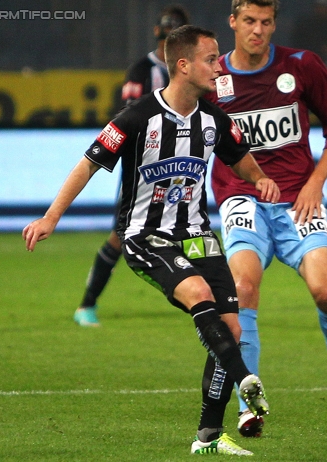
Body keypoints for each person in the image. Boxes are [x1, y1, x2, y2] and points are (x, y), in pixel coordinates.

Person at [23, 25, 280, 456]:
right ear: (183, 65)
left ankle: (209, 439)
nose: (219, 66)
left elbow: (242, 160)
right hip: (145, 235)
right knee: (198, 294)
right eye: (211, 58)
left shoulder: (214, 119)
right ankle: (246, 380)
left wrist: (262, 179)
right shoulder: (137, 117)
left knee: (232, 328)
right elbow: (88, 163)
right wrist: (52, 217)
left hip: (198, 234)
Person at [205, 0, 327, 437]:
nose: (258, 30)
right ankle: (249, 402)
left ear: (275, 23)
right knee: (243, 288)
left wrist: (315, 182)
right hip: (242, 198)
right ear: (233, 22)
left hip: (298, 199)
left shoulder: (302, 65)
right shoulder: (212, 77)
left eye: (267, 22)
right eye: (250, 21)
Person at [74, 4, 190, 327]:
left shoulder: (193, 71)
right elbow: (128, 119)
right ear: (157, 33)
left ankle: (208, 299)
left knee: (191, 229)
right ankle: (87, 304)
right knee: (120, 235)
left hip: (184, 168)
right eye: (166, 33)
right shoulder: (142, 70)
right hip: (143, 170)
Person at [289, 0, 327, 67]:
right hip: (307, 63)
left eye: (324, 7)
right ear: (315, 8)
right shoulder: (304, 26)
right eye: (320, 7)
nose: (322, 10)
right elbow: (296, 44)